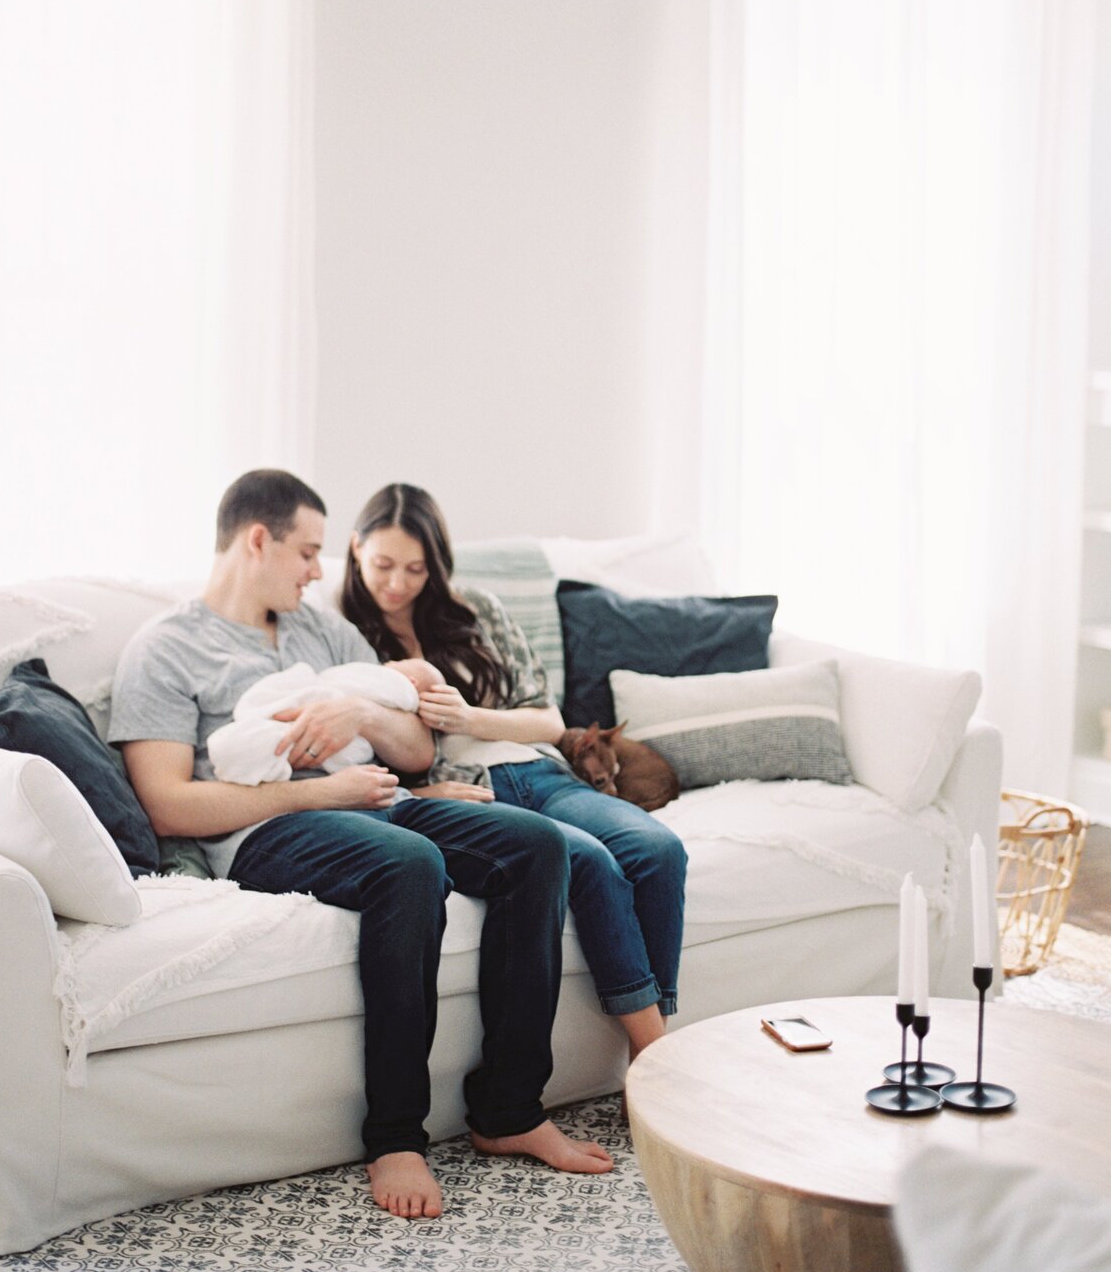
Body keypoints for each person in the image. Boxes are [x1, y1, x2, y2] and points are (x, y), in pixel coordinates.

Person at [109, 469, 612, 1223]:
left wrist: (360, 714)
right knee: (411, 867)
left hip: (380, 799)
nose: (321, 571)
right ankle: (395, 1136)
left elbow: (412, 751)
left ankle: (508, 1110)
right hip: (264, 830)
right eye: (309, 552)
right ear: (258, 541)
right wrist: (316, 792)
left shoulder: (321, 630)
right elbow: (167, 803)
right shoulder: (167, 649)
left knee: (538, 847)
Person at [341, 483, 688, 1063]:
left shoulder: (476, 609)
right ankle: (658, 1060)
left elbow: (550, 721)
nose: (397, 583)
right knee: (593, 863)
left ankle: (644, 1061)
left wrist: (470, 716)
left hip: (538, 771)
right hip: (470, 797)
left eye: (416, 568)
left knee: (658, 850)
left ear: (438, 565)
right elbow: (346, 756)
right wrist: (419, 794)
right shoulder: (338, 633)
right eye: (382, 565)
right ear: (354, 549)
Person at [207, 657, 444, 783]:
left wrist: (359, 710)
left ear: (411, 682)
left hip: (357, 777)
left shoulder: (396, 685)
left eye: (397, 664)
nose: (387, 664)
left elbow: (423, 753)